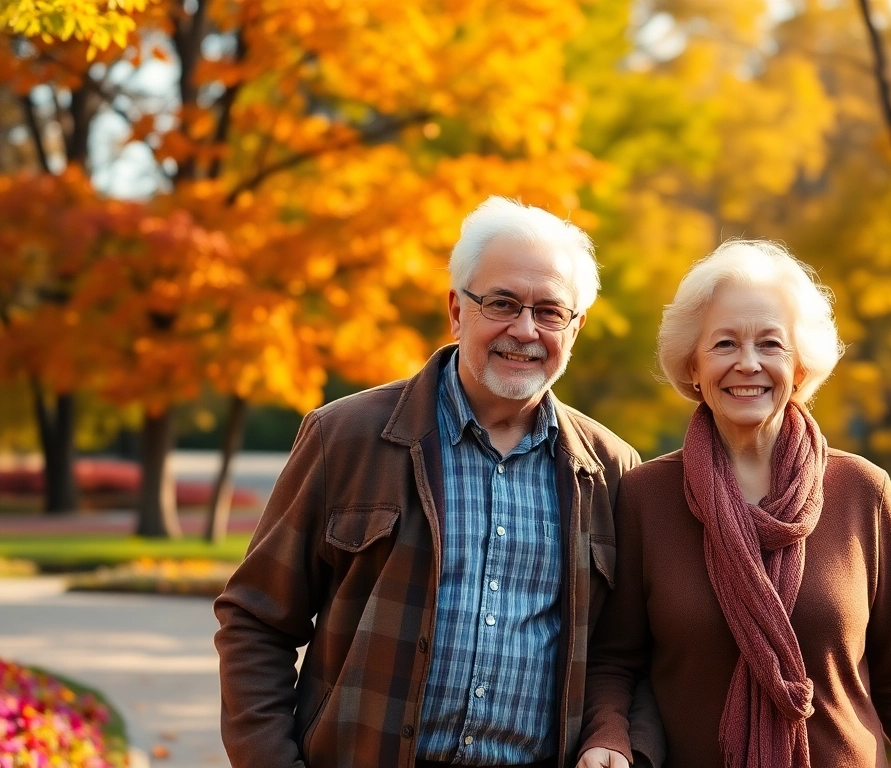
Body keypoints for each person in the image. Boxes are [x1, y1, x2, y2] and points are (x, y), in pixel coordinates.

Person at [215, 196, 662, 768]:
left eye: (550, 312)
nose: (525, 330)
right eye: (502, 303)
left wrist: (611, 737)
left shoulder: (610, 470)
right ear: (457, 310)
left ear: (575, 329)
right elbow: (255, 621)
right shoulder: (345, 438)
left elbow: (622, 657)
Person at [577, 240, 891, 768]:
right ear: (693, 365)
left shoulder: (862, 490)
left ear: (799, 366)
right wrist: (608, 736)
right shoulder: (646, 496)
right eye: (725, 343)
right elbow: (614, 663)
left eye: (770, 344)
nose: (748, 363)